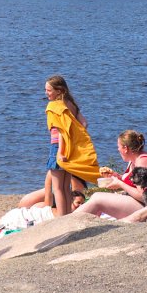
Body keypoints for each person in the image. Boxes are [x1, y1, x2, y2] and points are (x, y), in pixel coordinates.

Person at [43, 75, 102, 216]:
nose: (46, 93)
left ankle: (61, 217)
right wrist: (74, 140)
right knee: (65, 186)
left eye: (49, 90)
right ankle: (67, 215)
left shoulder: (54, 106)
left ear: (59, 91)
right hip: (71, 149)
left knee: (57, 188)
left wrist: (60, 151)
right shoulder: (71, 104)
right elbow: (84, 124)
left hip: (58, 147)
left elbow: (62, 130)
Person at [76, 130, 147, 219]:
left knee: (97, 198)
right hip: (140, 203)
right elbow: (133, 183)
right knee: (95, 197)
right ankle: (79, 222)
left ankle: (71, 221)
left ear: (125, 148)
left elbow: (143, 196)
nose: (118, 149)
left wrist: (120, 184)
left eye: (118, 147)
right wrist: (116, 176)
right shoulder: (133, 159)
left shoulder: (143, 162)